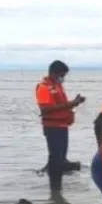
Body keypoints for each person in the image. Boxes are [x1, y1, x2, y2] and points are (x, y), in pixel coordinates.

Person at [35, 60, 85, 193]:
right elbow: (45, 109)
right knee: (56, 159)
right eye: (62, 75)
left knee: (60, 158)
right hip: (52, 127)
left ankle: (57, 190)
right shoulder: (44, 87)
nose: (63, 78)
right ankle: (55, 190)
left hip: (62, 126)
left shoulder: (57, 86)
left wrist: (75, 103)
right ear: (54, 73)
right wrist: (70, 104)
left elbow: (61, 105)